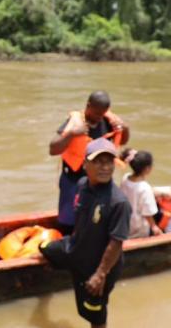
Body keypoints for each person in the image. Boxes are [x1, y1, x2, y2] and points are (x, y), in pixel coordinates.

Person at [40, 138, 131, 328]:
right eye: (98, 161)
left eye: (108, 161)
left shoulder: (118, 203)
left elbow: (116, 243)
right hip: (75, 248)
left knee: (95, 315)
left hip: (97, 265)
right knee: (44, 249)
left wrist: (100, 275)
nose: (104, 167)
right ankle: (44, 297)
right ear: (85, 164)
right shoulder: (82, 185)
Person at [49, 91, 130, 234]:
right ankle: (67, 239)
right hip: (74, 178)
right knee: (69, 219)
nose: (99, 118)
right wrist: (72, 133)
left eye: (102, 114)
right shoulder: (75, 122)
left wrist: (126, 128)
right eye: (96, 113)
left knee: (97, 216)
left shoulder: (107, 121)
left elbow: (122, 140)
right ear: (88, 106)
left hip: (99, 179)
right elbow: (53, 148)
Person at [119, 148, 161, 238]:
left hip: (125, 221)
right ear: (147, 169)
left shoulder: (125, 178)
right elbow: (148, 212)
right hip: (138, 226)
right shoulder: (145, 188)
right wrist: (154, 226)